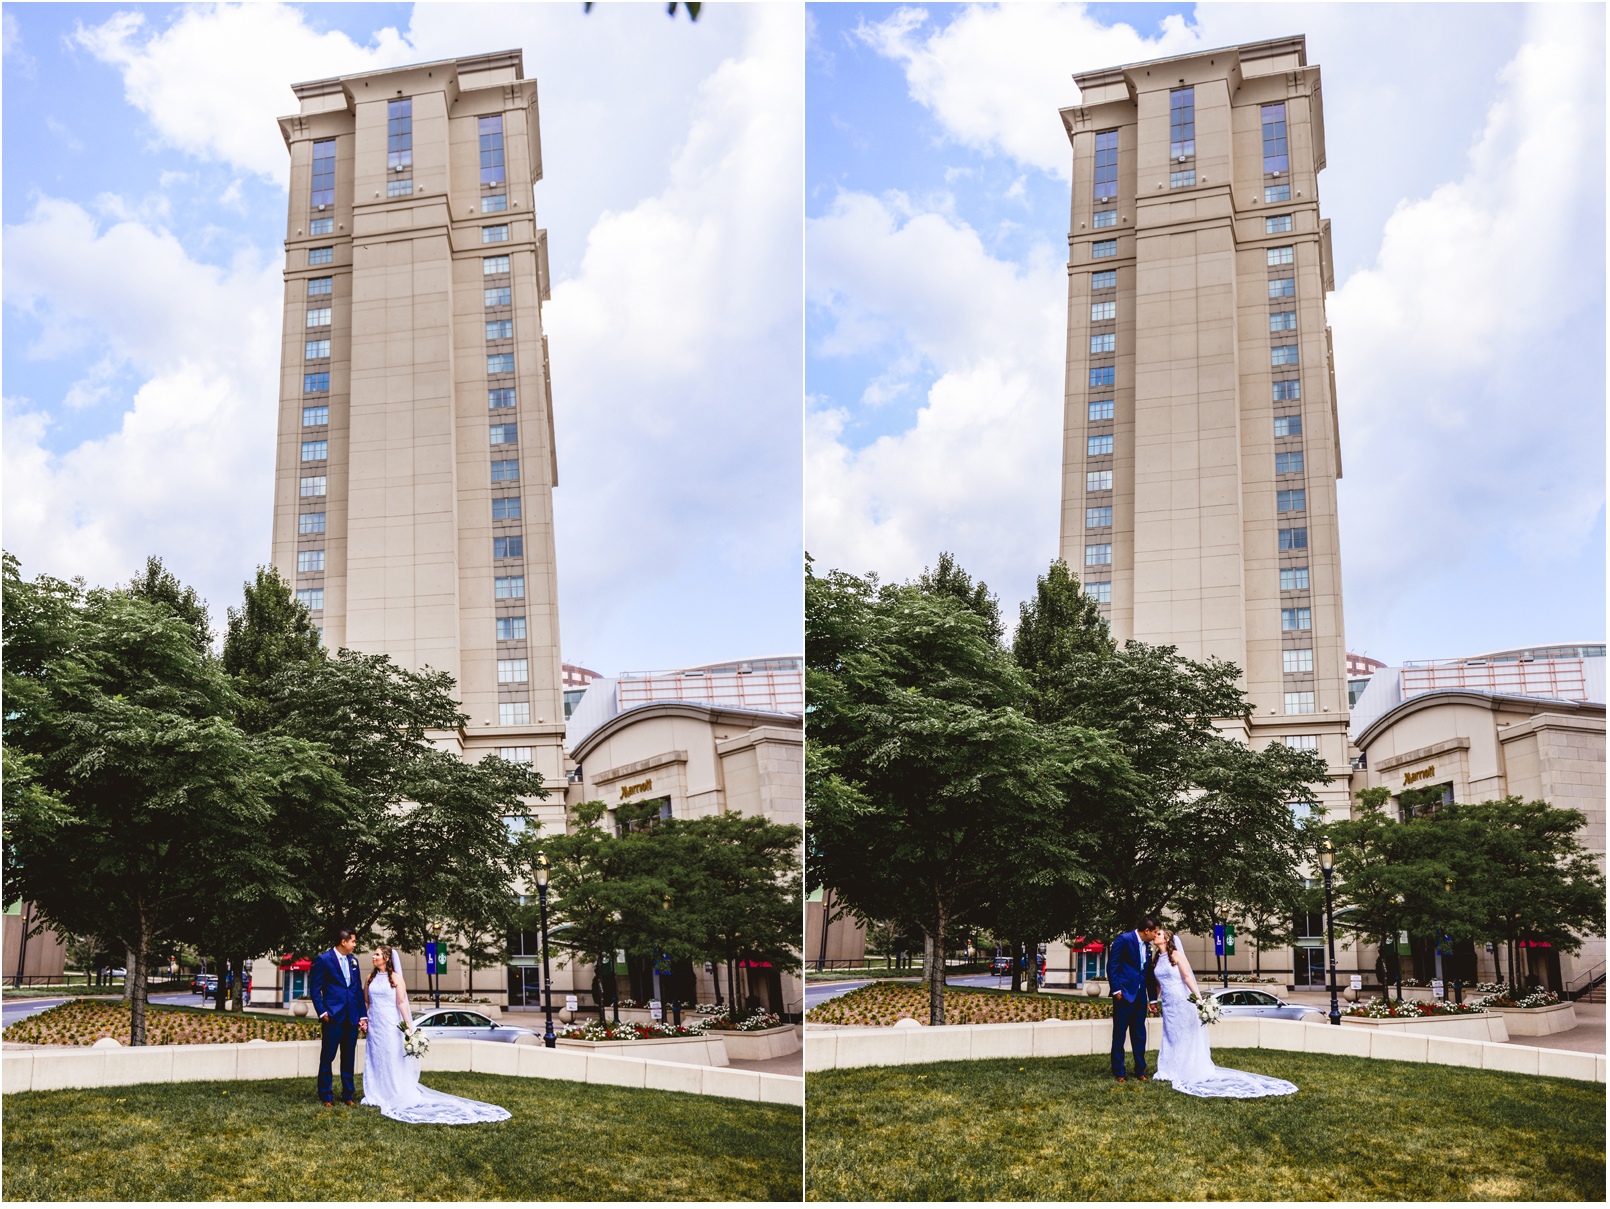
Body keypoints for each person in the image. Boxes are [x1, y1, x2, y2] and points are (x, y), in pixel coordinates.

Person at [360, 946, 510, 1124]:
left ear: (386, 958)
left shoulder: (396, 979)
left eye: (377, 954)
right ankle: (375, 1093)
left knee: (391, 1058)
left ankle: (393, 1092)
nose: (373, 957)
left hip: (391, 1026)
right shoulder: (370, 978)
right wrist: (365, 1020)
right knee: (376, 1058)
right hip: (376, 1026)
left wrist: (408, 1025)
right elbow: (367, 1002)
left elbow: (401, 1003)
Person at [1151, 929, 1298, 1098]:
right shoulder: (1157, 960)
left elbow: (1187, 977)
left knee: (1185, 1034)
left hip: (1182, 1002)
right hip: (1169, 1004)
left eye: (1159, 934)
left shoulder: (1176, 955)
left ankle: (1186, 1068)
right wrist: (1154, 1001)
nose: (1155, 936)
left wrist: (1198, 998)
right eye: (1155, 934)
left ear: (1167, 938)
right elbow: (1158, 984)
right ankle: (1168, 1069)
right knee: (1170, 1035)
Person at [308, 928, 368, 1107]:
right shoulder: (323, 960)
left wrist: (362, 1015)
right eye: (353, 941)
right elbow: (315, 989)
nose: (355, 945)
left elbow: (356, 989)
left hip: (351, 1018)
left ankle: (348, 1094)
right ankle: (326, 1095)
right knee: (328, 1057)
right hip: (332, 1018)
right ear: (344, 942)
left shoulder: (354, 961)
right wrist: (322, 1012)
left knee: (348, 1059)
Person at [1108, 916, 1159, 1082]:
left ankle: (1140, 1071)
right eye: (1155, 932)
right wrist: (1116, 989)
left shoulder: (1148, 947)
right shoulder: (1124, 939)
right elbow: (1112, 966)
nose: (1156, 935)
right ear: (1146, 931)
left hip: (1140, 998)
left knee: (1139, 1035)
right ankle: (1119, 1072)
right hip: (1123, 995)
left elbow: (1148, 975)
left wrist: (1152, 999)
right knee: (1119, 1035)